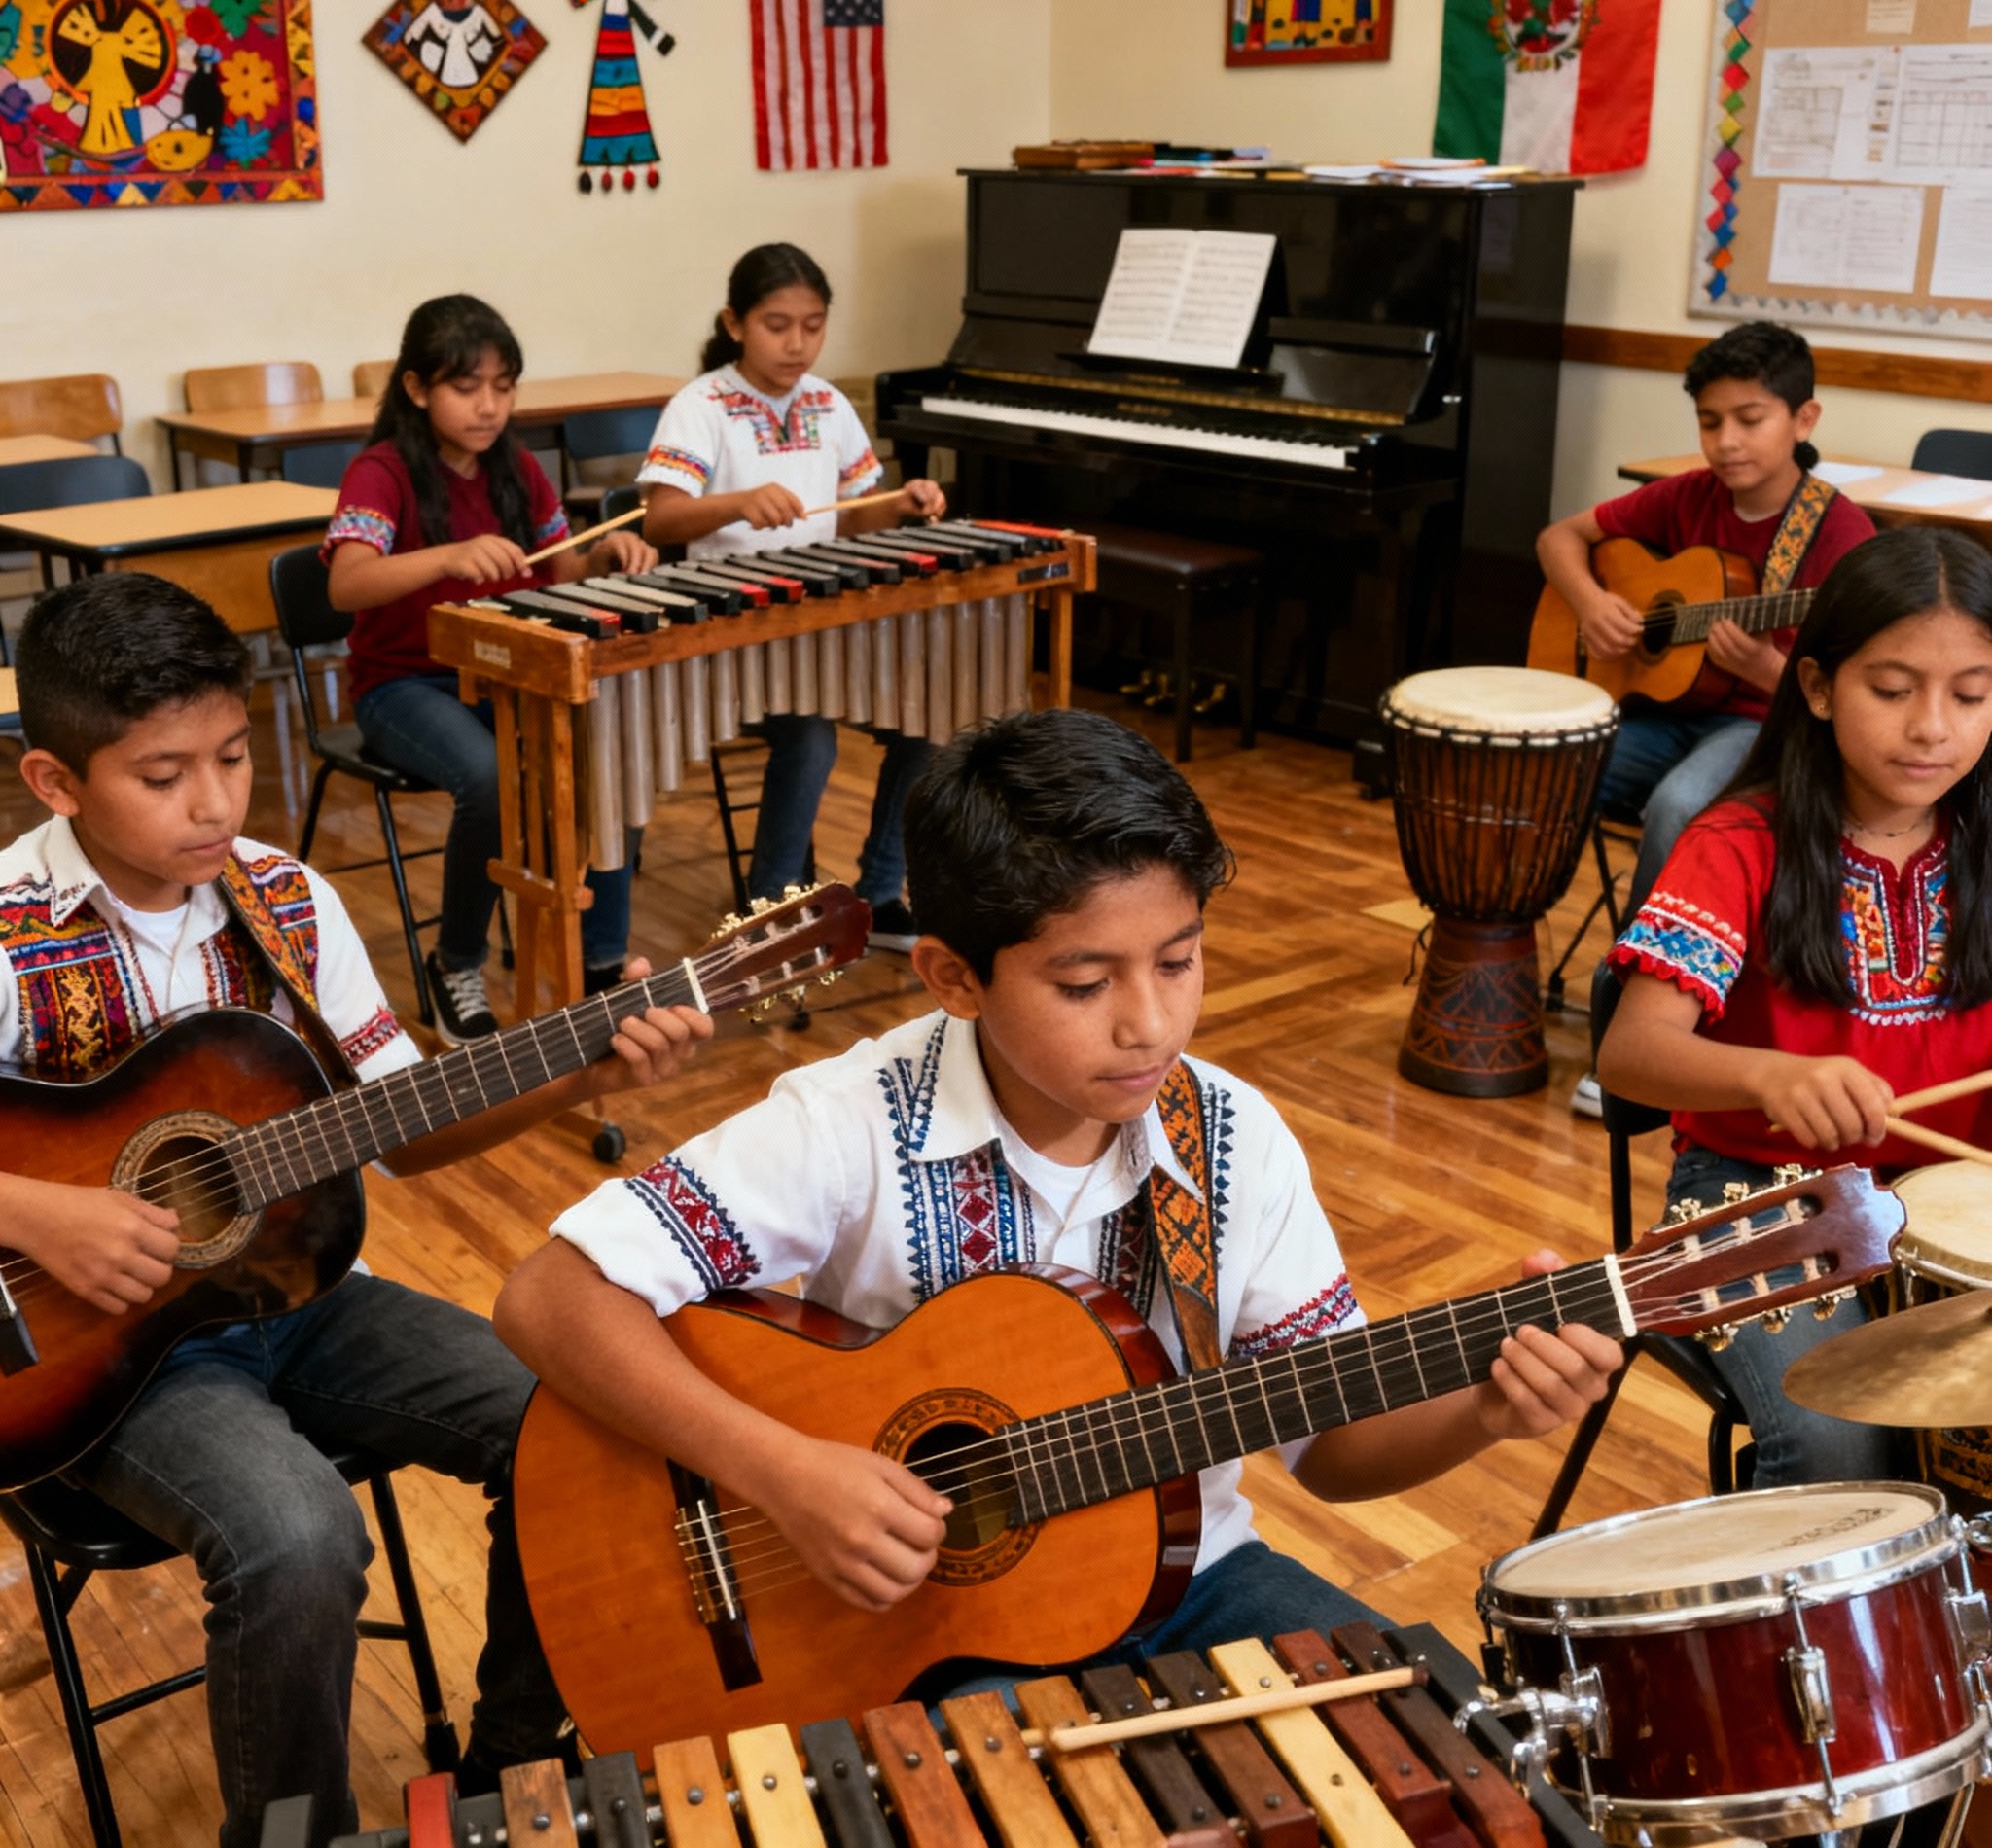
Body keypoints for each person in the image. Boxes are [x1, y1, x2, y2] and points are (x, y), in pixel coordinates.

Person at [496, 709, 1618, 1661]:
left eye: (1178, 960)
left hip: (1195, 1582)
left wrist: (1484, 1406)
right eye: (1085, 981)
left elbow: (1326, 1450)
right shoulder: (846, 1124)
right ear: (951, 974)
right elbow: (548, 1296)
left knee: (1444, 1737)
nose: (1150, 1022)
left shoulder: (1232, 1138)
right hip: (915, 1626)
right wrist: (787, 1473)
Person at [0, 574, 712, 1845]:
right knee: (296, 1534)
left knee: (584, 1414)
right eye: (163, 776)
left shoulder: (281, 897)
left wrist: (580, 1070)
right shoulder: (5, 933)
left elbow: (411, 1130)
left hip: (298, 1299)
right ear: (57, 782)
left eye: (231, 756)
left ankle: (504, 1783)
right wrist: (40, 1214)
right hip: (95, 1360)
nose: (216, 802)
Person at [1598, 526, 1992, 1488]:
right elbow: (1629, 1051)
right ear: (1814, 687)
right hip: (1756, 1194)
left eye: (1970, 694)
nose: (1930, 727)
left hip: (1953, 1199)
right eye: (1891, 689)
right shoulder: (1740, 840)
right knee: (1832, 1434)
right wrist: (1766, 1072)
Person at [1538, 323, 1874, 1116]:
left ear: (1805, 419)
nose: (1726, 441)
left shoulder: (1838, 534)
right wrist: (1595, 606)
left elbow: (1862, 677)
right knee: (1550, 758)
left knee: (1685, 809)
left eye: (1750, 419)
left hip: (1759, 727)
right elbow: (1560, 537)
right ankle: (1497, 962)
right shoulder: (1687, 496)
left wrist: (1769, 670)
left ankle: (1638, 1030)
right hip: (1659, 711)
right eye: (1710, 421)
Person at [328, 293, 659, 1042]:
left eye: (503, 388)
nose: (488, 406)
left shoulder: (516, 469)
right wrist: (443, 556)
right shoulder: (380, 472)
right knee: (490, 780)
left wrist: (605, 556)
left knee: (609, 749)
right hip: (402, 684)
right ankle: (457, 963)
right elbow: (346, 583)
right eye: (466, 387)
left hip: (512, 674)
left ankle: (603, 962)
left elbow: (561, 569)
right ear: (417, 388)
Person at [637, 242, 947, 952]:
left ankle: (882, 893)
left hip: (830, 627)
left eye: (813, 325)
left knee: (930, 716)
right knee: (810, 735)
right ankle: (769, 911)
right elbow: (660, 518)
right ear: (736, 323)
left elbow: (861, 514)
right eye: (778, 324)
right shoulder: (702, 405)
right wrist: (737, 503)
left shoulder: (829, 404)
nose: (797, 342)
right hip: (731, 633)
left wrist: (906, 503)